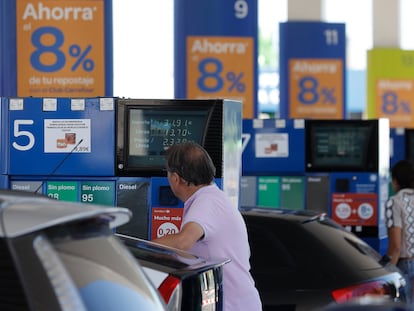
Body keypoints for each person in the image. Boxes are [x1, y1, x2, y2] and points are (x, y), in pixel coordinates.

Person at [152, 141, 262, 311]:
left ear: (175, 179)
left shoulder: (207, 203)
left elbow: (183, 242)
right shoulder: (212, 198)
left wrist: (137, 251)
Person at [384, 159, 414, 304]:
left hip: (405, 265)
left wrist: (387, 272)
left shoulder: (394, 202)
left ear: (395, 181)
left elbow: (396, 246)